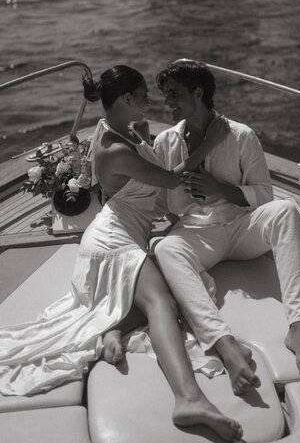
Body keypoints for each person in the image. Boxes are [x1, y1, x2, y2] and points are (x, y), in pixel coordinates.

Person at [0, 65, 243, 442]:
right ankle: (188, 398)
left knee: (169, 299)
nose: (152, 100)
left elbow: (144, 178)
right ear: (127, 99)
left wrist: (143, 137)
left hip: (122, 235)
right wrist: (210, 142)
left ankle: (114, 330)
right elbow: (171, 179)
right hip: (113, 240)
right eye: (145, 94)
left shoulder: (112, 130)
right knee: (163, 303)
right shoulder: (114, 148)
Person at [153, 60, 300, 392]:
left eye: (173, 94)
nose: (167, 103)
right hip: (198, 235)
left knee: (286, 210)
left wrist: (218, 189)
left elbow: (264, 195)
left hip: (242, 227)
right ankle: (223, 343)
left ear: (198, 92)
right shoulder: (165, 143)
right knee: (166, 248)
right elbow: (161, 203)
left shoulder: (241, 135)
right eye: (165, 95)